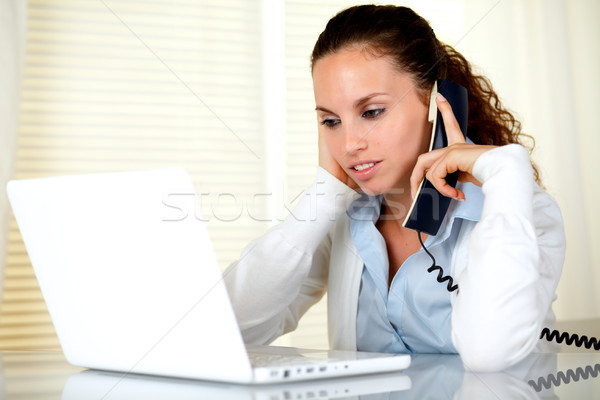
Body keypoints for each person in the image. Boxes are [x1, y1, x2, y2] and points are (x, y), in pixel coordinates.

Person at [224, 4, 565, 372]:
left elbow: (489, 352)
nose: (350, 143)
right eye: (331, 120)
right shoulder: (347, 219)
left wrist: (506, 168)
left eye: (371, 112)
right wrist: (325, 195)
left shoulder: (522, 211)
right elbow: (230, 328)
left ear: (437, 104)